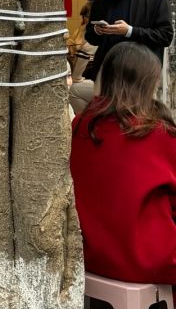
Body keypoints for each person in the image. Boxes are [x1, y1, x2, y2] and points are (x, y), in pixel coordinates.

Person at [71, 42, 176, 284]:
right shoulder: (159, 134)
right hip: (142, 260)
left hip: (90, 255)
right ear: (148, 85)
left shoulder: (80, 125)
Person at [71, 0, 173, 116]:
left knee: (137, 119)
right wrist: (97, 30)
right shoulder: (102, 0)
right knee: (104, 116)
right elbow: (91, 38)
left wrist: (129, 31)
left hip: (141, 73)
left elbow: (165, 36)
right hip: (106, 70)